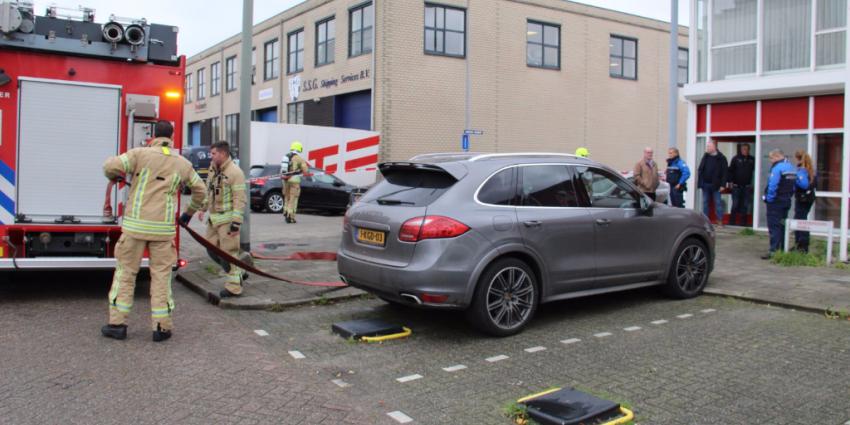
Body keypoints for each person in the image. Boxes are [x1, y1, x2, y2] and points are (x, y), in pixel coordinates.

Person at [101, 120, 206, 342]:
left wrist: (119, 174)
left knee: (125, 274)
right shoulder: (182, 163)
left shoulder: (139, 154)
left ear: (153, 135)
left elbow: (109, 167)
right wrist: (188, 213)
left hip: (134, 228)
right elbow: (200, 190)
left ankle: (117, 325)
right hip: (163, 231)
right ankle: (162, 327)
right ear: (172, 136)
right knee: (161, 278)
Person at [199, 141, 247, 298]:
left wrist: (235, 223)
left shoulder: (235, 172)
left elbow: (240, 199)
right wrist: (203, 208)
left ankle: (234, 287)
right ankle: (239, 272)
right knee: (211, 249)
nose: (211, 156)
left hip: (227, 221)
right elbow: (209, 189)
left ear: (223, 154)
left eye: (213, 154)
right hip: (214, 220)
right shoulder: (214, 168)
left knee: (229, 254)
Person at [762, 149, 797, 259]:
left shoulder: (777, 168)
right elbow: (793, 186)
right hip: (786, 201)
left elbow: (773, 185)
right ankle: (782, 248)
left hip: (775, 202)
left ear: (777, 157)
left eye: (771, 158)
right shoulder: (791, 167)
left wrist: (769, 198)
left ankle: (773, 251)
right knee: (782, 225)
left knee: (774, 226)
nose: (771, 161)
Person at [697, 141, 728, 225]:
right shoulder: (705, 157)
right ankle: (705, 220)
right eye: (707, 147)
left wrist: (723, 185)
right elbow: (700, 169)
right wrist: (701, 182)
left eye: (708, 147)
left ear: (714, 147)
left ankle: (720, 220)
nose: (707, 148)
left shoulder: (721, 158)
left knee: (718, 202)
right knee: (705, 202)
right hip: (706, 184)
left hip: (716, 185)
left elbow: (725, 172)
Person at [793, 149, 816, 253]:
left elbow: (804, 185)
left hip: (803, 199)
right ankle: (800, 244)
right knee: (801, 219)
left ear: (798, 159)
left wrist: (795, 180)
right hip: (809, 198)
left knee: (800, 221)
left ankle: (802, 246)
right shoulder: (811, 169)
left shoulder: (801, 170)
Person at [282, 141, 311, 223]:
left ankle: (285, 211)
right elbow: (306, 170)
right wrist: (302, 169)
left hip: (286, 180)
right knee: (293, 199)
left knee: (286, 197)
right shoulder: (299, 159)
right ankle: (291, 216)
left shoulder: (286, 156)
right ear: (299, 148)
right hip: (295, 180)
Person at [727, 143, 755, 226]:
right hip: (736, 186)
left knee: (745, 205)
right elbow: (730, 170)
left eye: (747, 149)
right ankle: (732, 222)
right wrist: (730, 181)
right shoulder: (736, 159)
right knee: (735, 204)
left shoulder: (752, 159)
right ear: (741, 150)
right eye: (744, 149)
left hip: (747, 186)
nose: (745, 151)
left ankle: (743, 223)